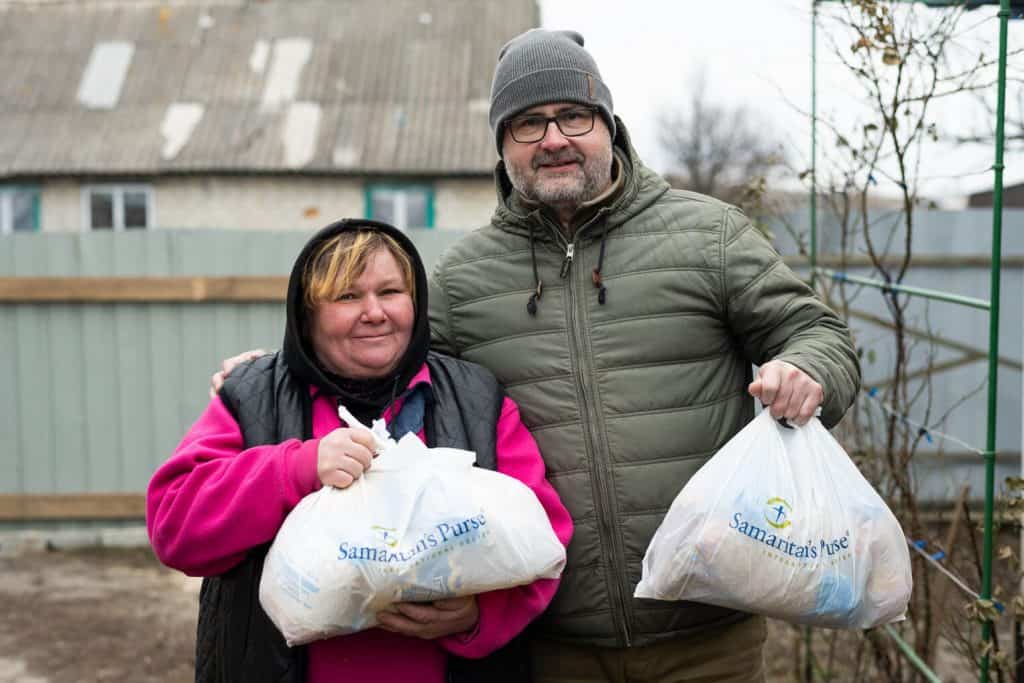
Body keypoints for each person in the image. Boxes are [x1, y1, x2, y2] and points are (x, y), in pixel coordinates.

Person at [215, 29, 861, 683]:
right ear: (502, 145)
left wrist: (808, 371)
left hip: (706, 631)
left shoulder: (708, 237)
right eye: (527, 123)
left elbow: (820, 335)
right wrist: (280, 371)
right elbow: (378, 364)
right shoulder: (466, 278)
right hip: (550, 642)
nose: (553, 138)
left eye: (573, 115)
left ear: (608, 124)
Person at [150, 218, 572, 683]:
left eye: (390, 292)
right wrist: (297, 468)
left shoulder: (473, 397)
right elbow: (175, 525)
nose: (374, 312)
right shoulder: (254, 397)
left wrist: (478, 617)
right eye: (348, 297)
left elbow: (544, 538)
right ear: (307, 315)